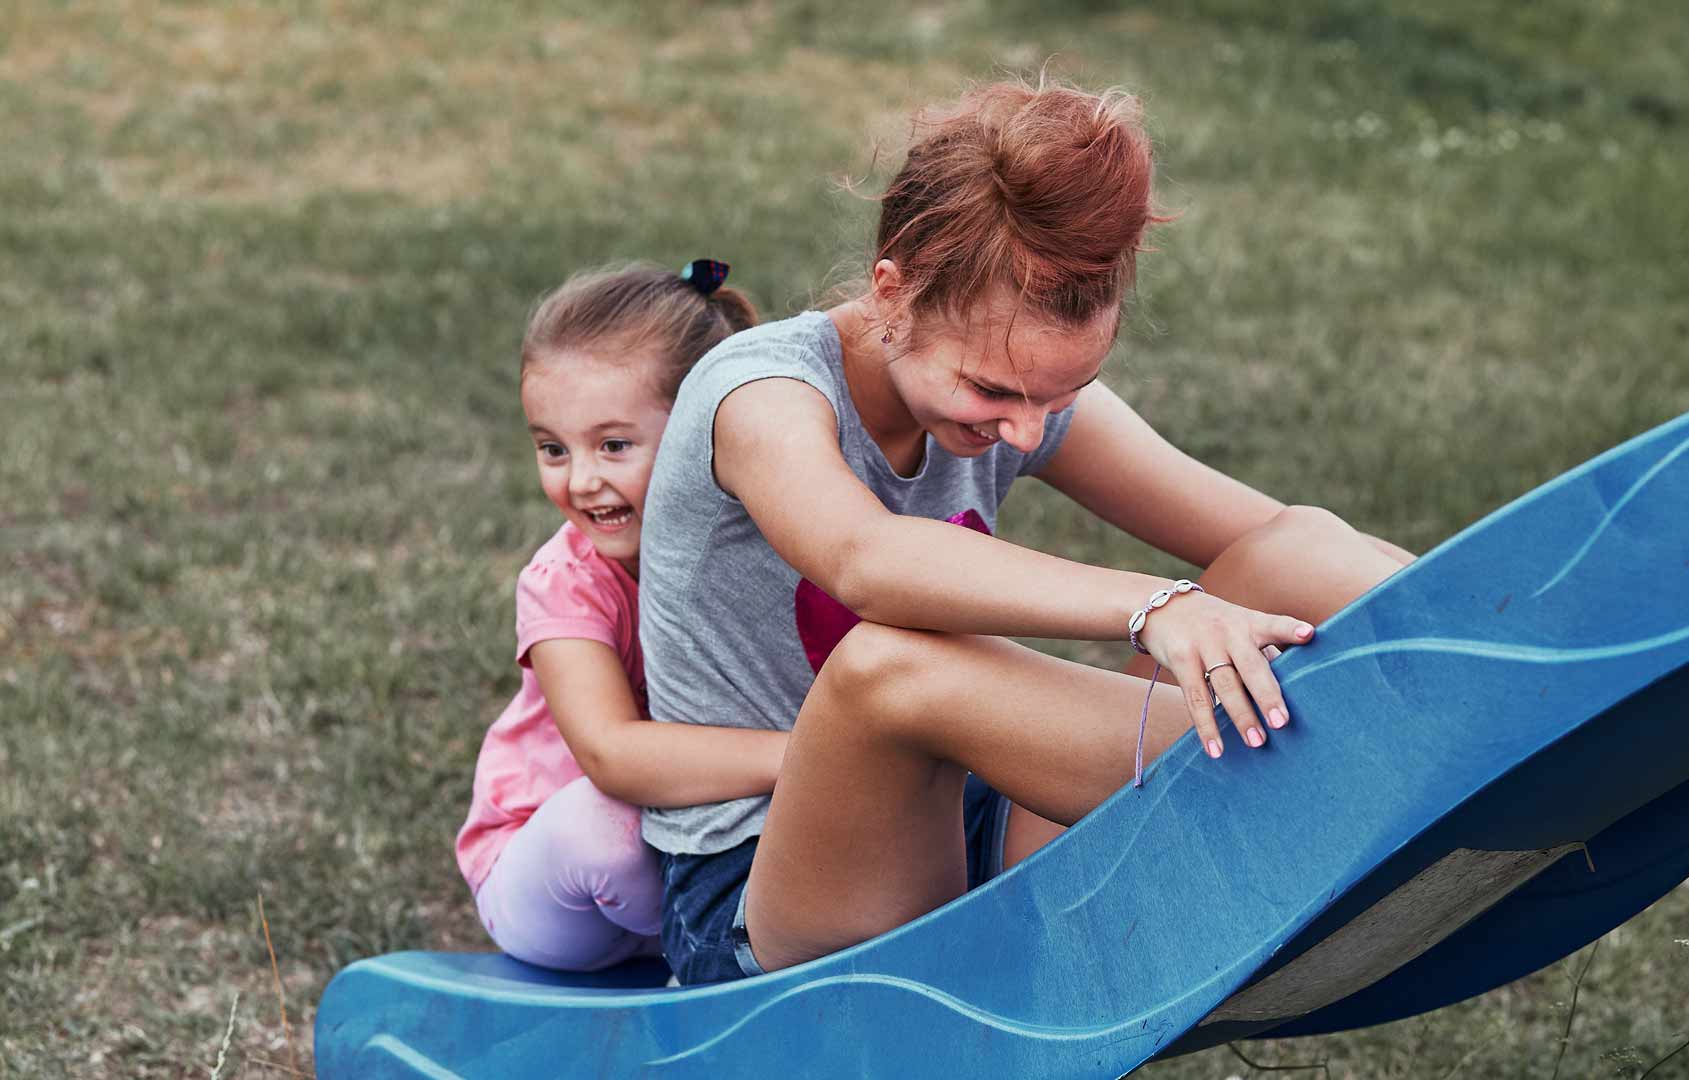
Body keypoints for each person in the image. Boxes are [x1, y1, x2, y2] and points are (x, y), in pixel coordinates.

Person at [638, 79, 1417, 984]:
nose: (1025, 428)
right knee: (892, 665)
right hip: (765, 890)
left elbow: (1267, 534)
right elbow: (866, 561)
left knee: (1295, 548)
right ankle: (1349, 766)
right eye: (994, 392)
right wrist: (1156, 603)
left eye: (1060, 395)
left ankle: (1520, 678)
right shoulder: (759, 392)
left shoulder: (1015, 380)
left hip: (976, 822)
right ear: (893, 294)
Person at [452, 260, 783, 972]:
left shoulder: (757, 547)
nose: (580, 480)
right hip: (558, 877)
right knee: (603, 832)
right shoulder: (564, 583)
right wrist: (806, 760)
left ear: (703, 430)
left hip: (706, 835)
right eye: (552, 448)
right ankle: (707, 954)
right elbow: (611, 754)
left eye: (613, 445)